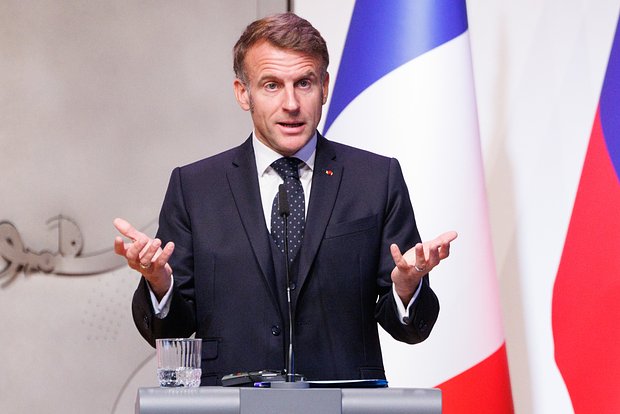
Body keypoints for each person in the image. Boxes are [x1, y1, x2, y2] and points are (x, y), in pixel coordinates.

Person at [114, 12, 457, 386]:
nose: (291, 103)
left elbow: (411, 329)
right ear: (243, 93)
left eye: (304, 83)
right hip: (230, 403)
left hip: (343, 401)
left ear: (324, 87)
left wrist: (406, 288)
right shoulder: (195, 187)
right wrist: (160, 285)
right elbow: (170, 331)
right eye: (272, 85)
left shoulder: (376, 179)